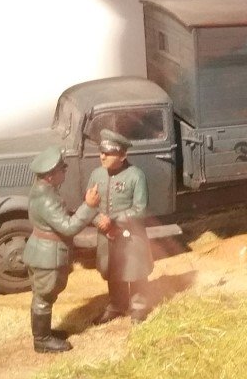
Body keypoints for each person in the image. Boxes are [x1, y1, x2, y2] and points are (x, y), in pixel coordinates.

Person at [23, 146, 100, 353]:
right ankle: (42, 340)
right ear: (50, 176)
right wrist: (89, 206)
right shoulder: (47, 199)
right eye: (62, 169)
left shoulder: (43, 190)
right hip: (47, 255)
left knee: (43, 295)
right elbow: (68, 227)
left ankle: (44, 333)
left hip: (42, 251)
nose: (65, 171)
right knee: (44, 297)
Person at [88, 129, 155, 324]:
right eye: (101, 152)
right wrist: (101, 222)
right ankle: (117, 304)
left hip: (130, 234)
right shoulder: (96, 175)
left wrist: (114, 220)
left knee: (135, 269)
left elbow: (140, 209)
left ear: (122, 155)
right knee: (112, 269)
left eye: (108, 153)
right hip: (107, 234)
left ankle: (139, 305)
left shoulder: (136, 175)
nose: (102, 157)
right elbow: (89, 206)